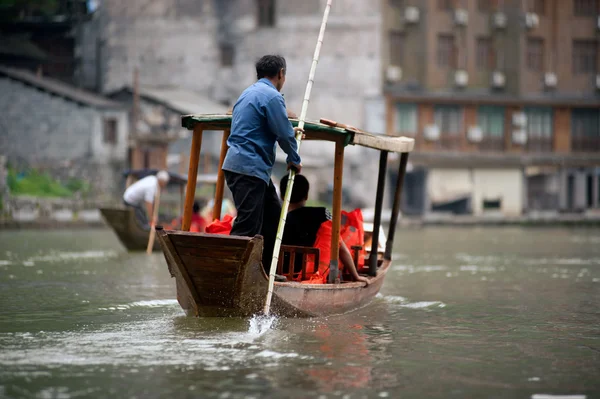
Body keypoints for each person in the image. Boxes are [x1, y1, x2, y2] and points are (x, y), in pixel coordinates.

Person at [222, 55, 303, 270]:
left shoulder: (247, 93)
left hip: (252, 170)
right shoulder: (272, 97)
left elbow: (269, 128)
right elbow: (285, 135)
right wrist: (294, 159)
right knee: (248, 226)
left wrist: (287, 130)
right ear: (281, 74)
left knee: (273, 219)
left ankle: (266, 272)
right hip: (248, 168)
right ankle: (230, 274)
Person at [280, 174, 368, 284]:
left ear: (282, 197)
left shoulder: (278, 219)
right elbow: (341, 247)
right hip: (315, 276)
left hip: (283, 274)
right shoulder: (322, 214)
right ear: (307, 196)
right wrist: (356, 276)